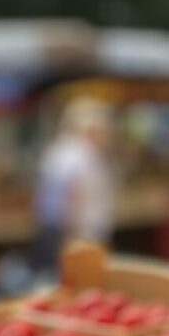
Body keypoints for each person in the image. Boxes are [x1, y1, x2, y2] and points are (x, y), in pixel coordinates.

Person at [32, 98, 115, 276]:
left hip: (59, 231)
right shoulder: (80, 154)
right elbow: (73, 195)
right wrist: (75, 239)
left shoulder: (60, 150)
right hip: (76, 235)